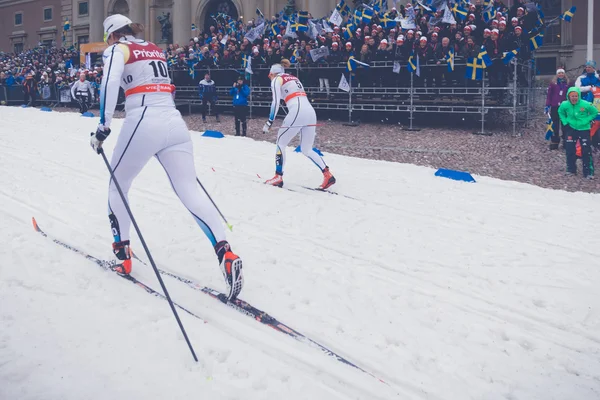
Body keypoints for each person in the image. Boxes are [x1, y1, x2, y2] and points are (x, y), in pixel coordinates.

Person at [89, 14, 243, 300]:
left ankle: (123, 256)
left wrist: (103, 126)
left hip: (144, 117)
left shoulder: (116, 49)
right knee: (189, 189)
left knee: (117, 185)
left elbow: (109, 83)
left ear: (112, 35)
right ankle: (225, 251)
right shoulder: (153, 47)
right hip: (173, 120)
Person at [262, 59, 336, 190]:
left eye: (269, 75)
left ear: (272, 73)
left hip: (297, 110)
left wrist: (269, 121)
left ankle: (278, 176)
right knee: (306, 149)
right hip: (310, 112)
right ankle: (327, 174)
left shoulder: (276, 80)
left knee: (280, 143)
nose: (269, 77)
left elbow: (275, 102)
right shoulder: (293, 77)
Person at [557, 87, 599, 178]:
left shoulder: (585, 104)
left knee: (586, 150)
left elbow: (595, 112)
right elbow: (560, 112)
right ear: (568, 96)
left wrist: (587, 120)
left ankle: (588, 172)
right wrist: (565, 122)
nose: (574, 98)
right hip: (571, 129)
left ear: (579, 96)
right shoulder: (565, 104)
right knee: (570, 150)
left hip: (584, 129)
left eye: (576, 96)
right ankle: (571, 170)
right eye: (572, 96)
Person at [545, 68, 571, 150]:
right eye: (559, 73)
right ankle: (555, 142)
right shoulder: (553, 84)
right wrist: (547, 105)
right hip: (555, 105)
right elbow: (549, 95)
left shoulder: (568, 83)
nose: (560, 75)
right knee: (555, 124)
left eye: (562, 73)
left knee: (565, 124)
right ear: (557, 74)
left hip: (565, 106)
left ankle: (566, 142)